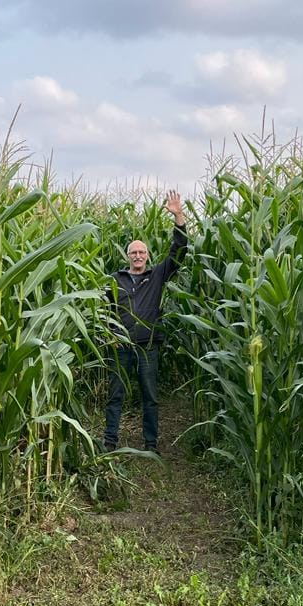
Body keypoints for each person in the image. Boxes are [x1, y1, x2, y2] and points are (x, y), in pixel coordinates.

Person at [103, 190, 187, 453]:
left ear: (148, 256)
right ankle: (109, 442)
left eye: (142, 252)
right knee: (115, 396)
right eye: (133, 252)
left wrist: (178, 217)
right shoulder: (115, 280)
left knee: (150, 398)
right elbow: (104, 311)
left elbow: (179, 250)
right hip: (121, 348)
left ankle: (151, 444)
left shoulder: (158, 275)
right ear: (128, 256)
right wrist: (109, 335)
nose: (138, 256)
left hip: (148, 348)